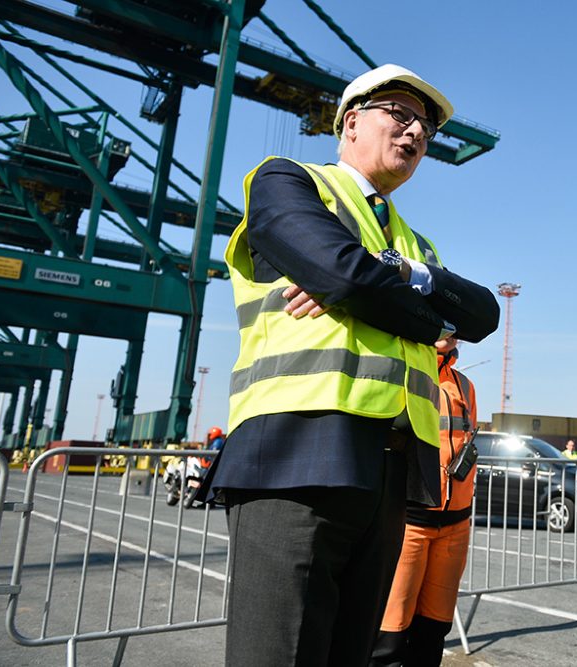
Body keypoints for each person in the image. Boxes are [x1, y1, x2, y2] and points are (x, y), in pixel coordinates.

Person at [206, 64, 500, 666]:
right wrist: (423, 310)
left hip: (393, 471)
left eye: (426, 126)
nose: (416, 131)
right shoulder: (287, 181)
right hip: (299, 454)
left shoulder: (419, 247)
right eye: (400, 113)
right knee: (279, 655)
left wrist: (389, 273)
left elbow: (482, 313)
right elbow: (343, 273)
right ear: (349, 123)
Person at [369, 336, 478, 666]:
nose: (449, 330)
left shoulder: (466, 386)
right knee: (388, 635)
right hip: (409, 522)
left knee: (433, 632)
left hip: (455, 524)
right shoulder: (400, 369)